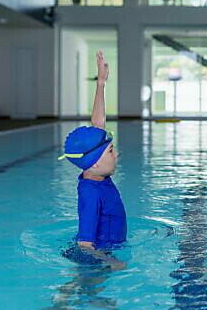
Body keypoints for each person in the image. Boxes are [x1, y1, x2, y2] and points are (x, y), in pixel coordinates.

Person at [58, 51, 126, 270]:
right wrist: (110, 261)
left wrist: (101, 84)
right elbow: (85, 244)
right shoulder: (91, 192)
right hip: (96, 257)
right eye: (111, 151)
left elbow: (98, 127)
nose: (116, 154)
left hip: (104, 250)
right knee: (87, 291)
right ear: (95, 162)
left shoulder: (96, 173)